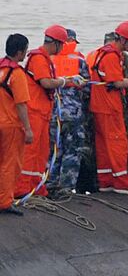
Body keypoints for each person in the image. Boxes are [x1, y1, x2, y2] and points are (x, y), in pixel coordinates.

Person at [86, 22, 128, 196]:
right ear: (123, 39)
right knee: (118, 144)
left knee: (103, 145)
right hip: (109, 108)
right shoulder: (111, 56)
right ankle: (121, 183)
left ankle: (106, 181)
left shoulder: (102, 53)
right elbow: (116, 82)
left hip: (99, 106)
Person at [14, 25, 69, 198]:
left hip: (42, 113)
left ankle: (36, 186)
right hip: (34, 112)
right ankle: (22, 188)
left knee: (42, 151)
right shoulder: (38, 58)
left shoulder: (45, 59)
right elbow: (45, 82)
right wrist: (63, 81)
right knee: (30, 152)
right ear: (57, 44)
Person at [46, 29, 90, 200]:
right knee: (73, 151)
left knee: (53, 150)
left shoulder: (47, 59)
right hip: (73, 114)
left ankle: (49, 184)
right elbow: (87, 88)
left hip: (52, 113)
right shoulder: (79, 60)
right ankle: (66, 187)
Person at [0, 34, 32, 216]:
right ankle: (4, 202)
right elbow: (21, 104)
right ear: (19, 52)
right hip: (10, 125)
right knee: (9, 164)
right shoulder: (17, 75)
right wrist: (27, 129)